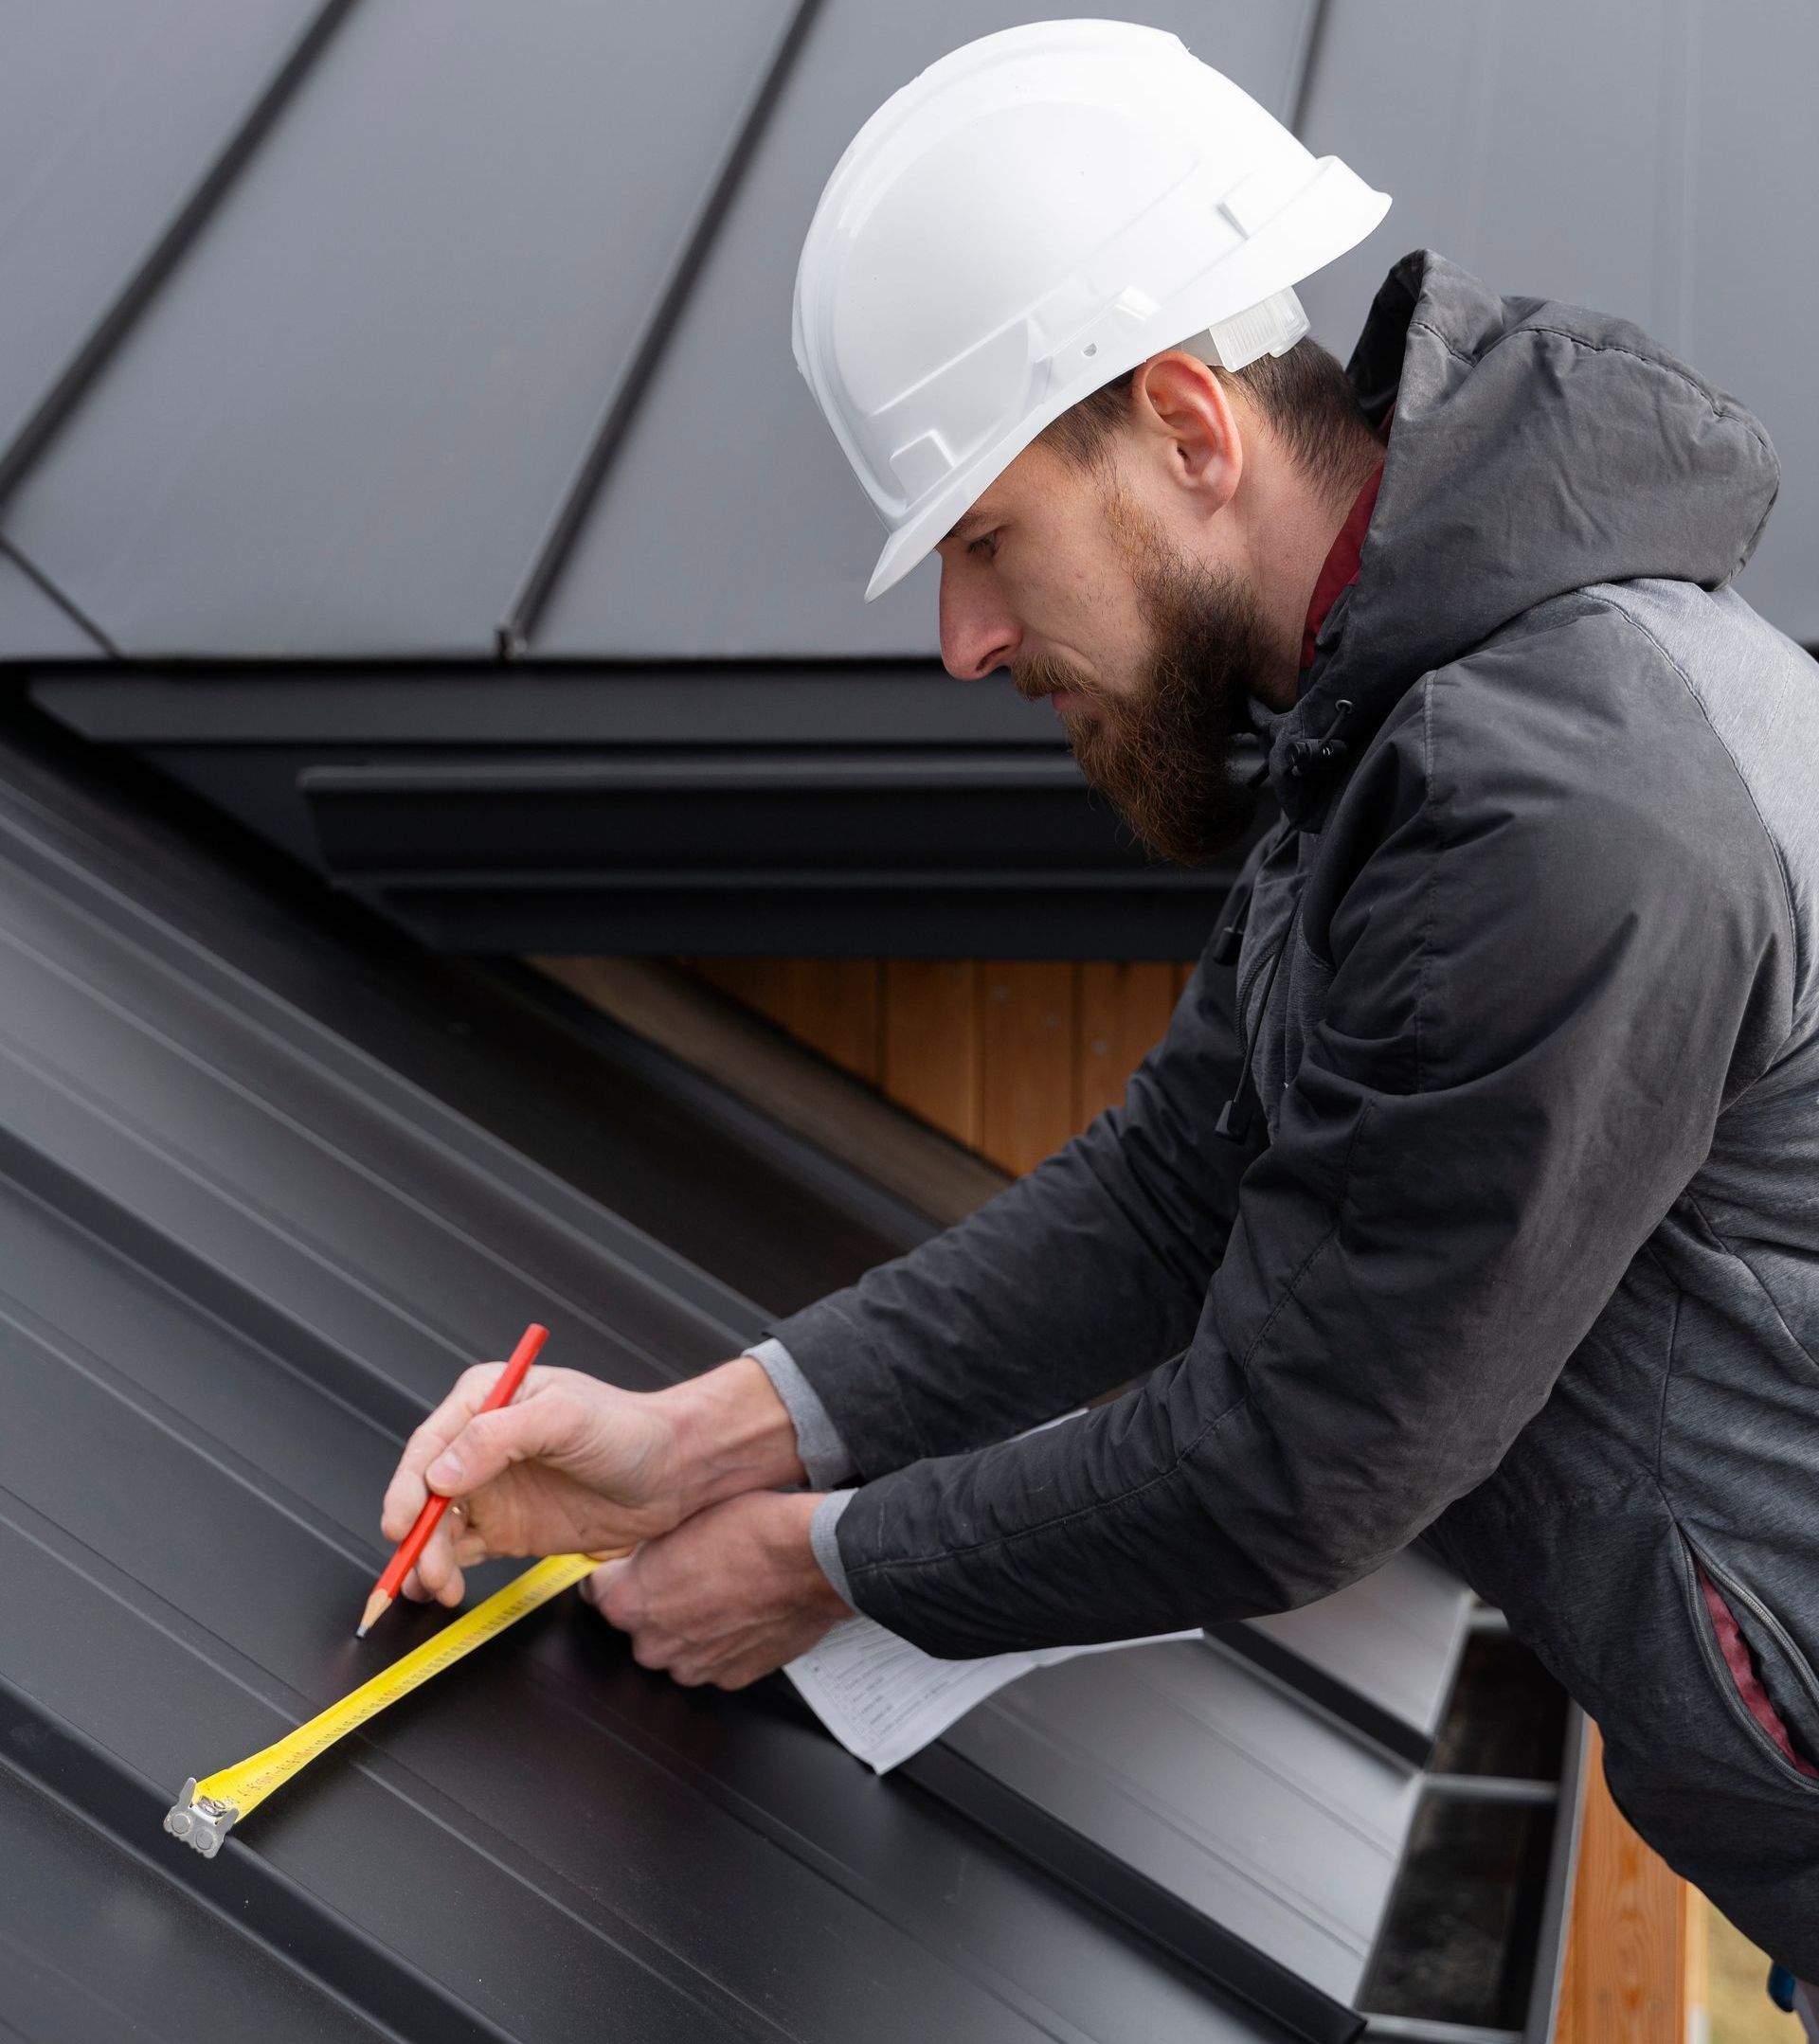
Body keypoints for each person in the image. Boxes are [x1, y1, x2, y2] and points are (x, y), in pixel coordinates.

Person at [380, 20, 1819, 1997]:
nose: (966, 642)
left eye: (986, 540)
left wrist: (814, 1565)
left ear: (1187, 429)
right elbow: (1175, 1188)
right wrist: (701, 1438)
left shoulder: (1568, 805)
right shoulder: (1405, 715)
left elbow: (1299, 1456)